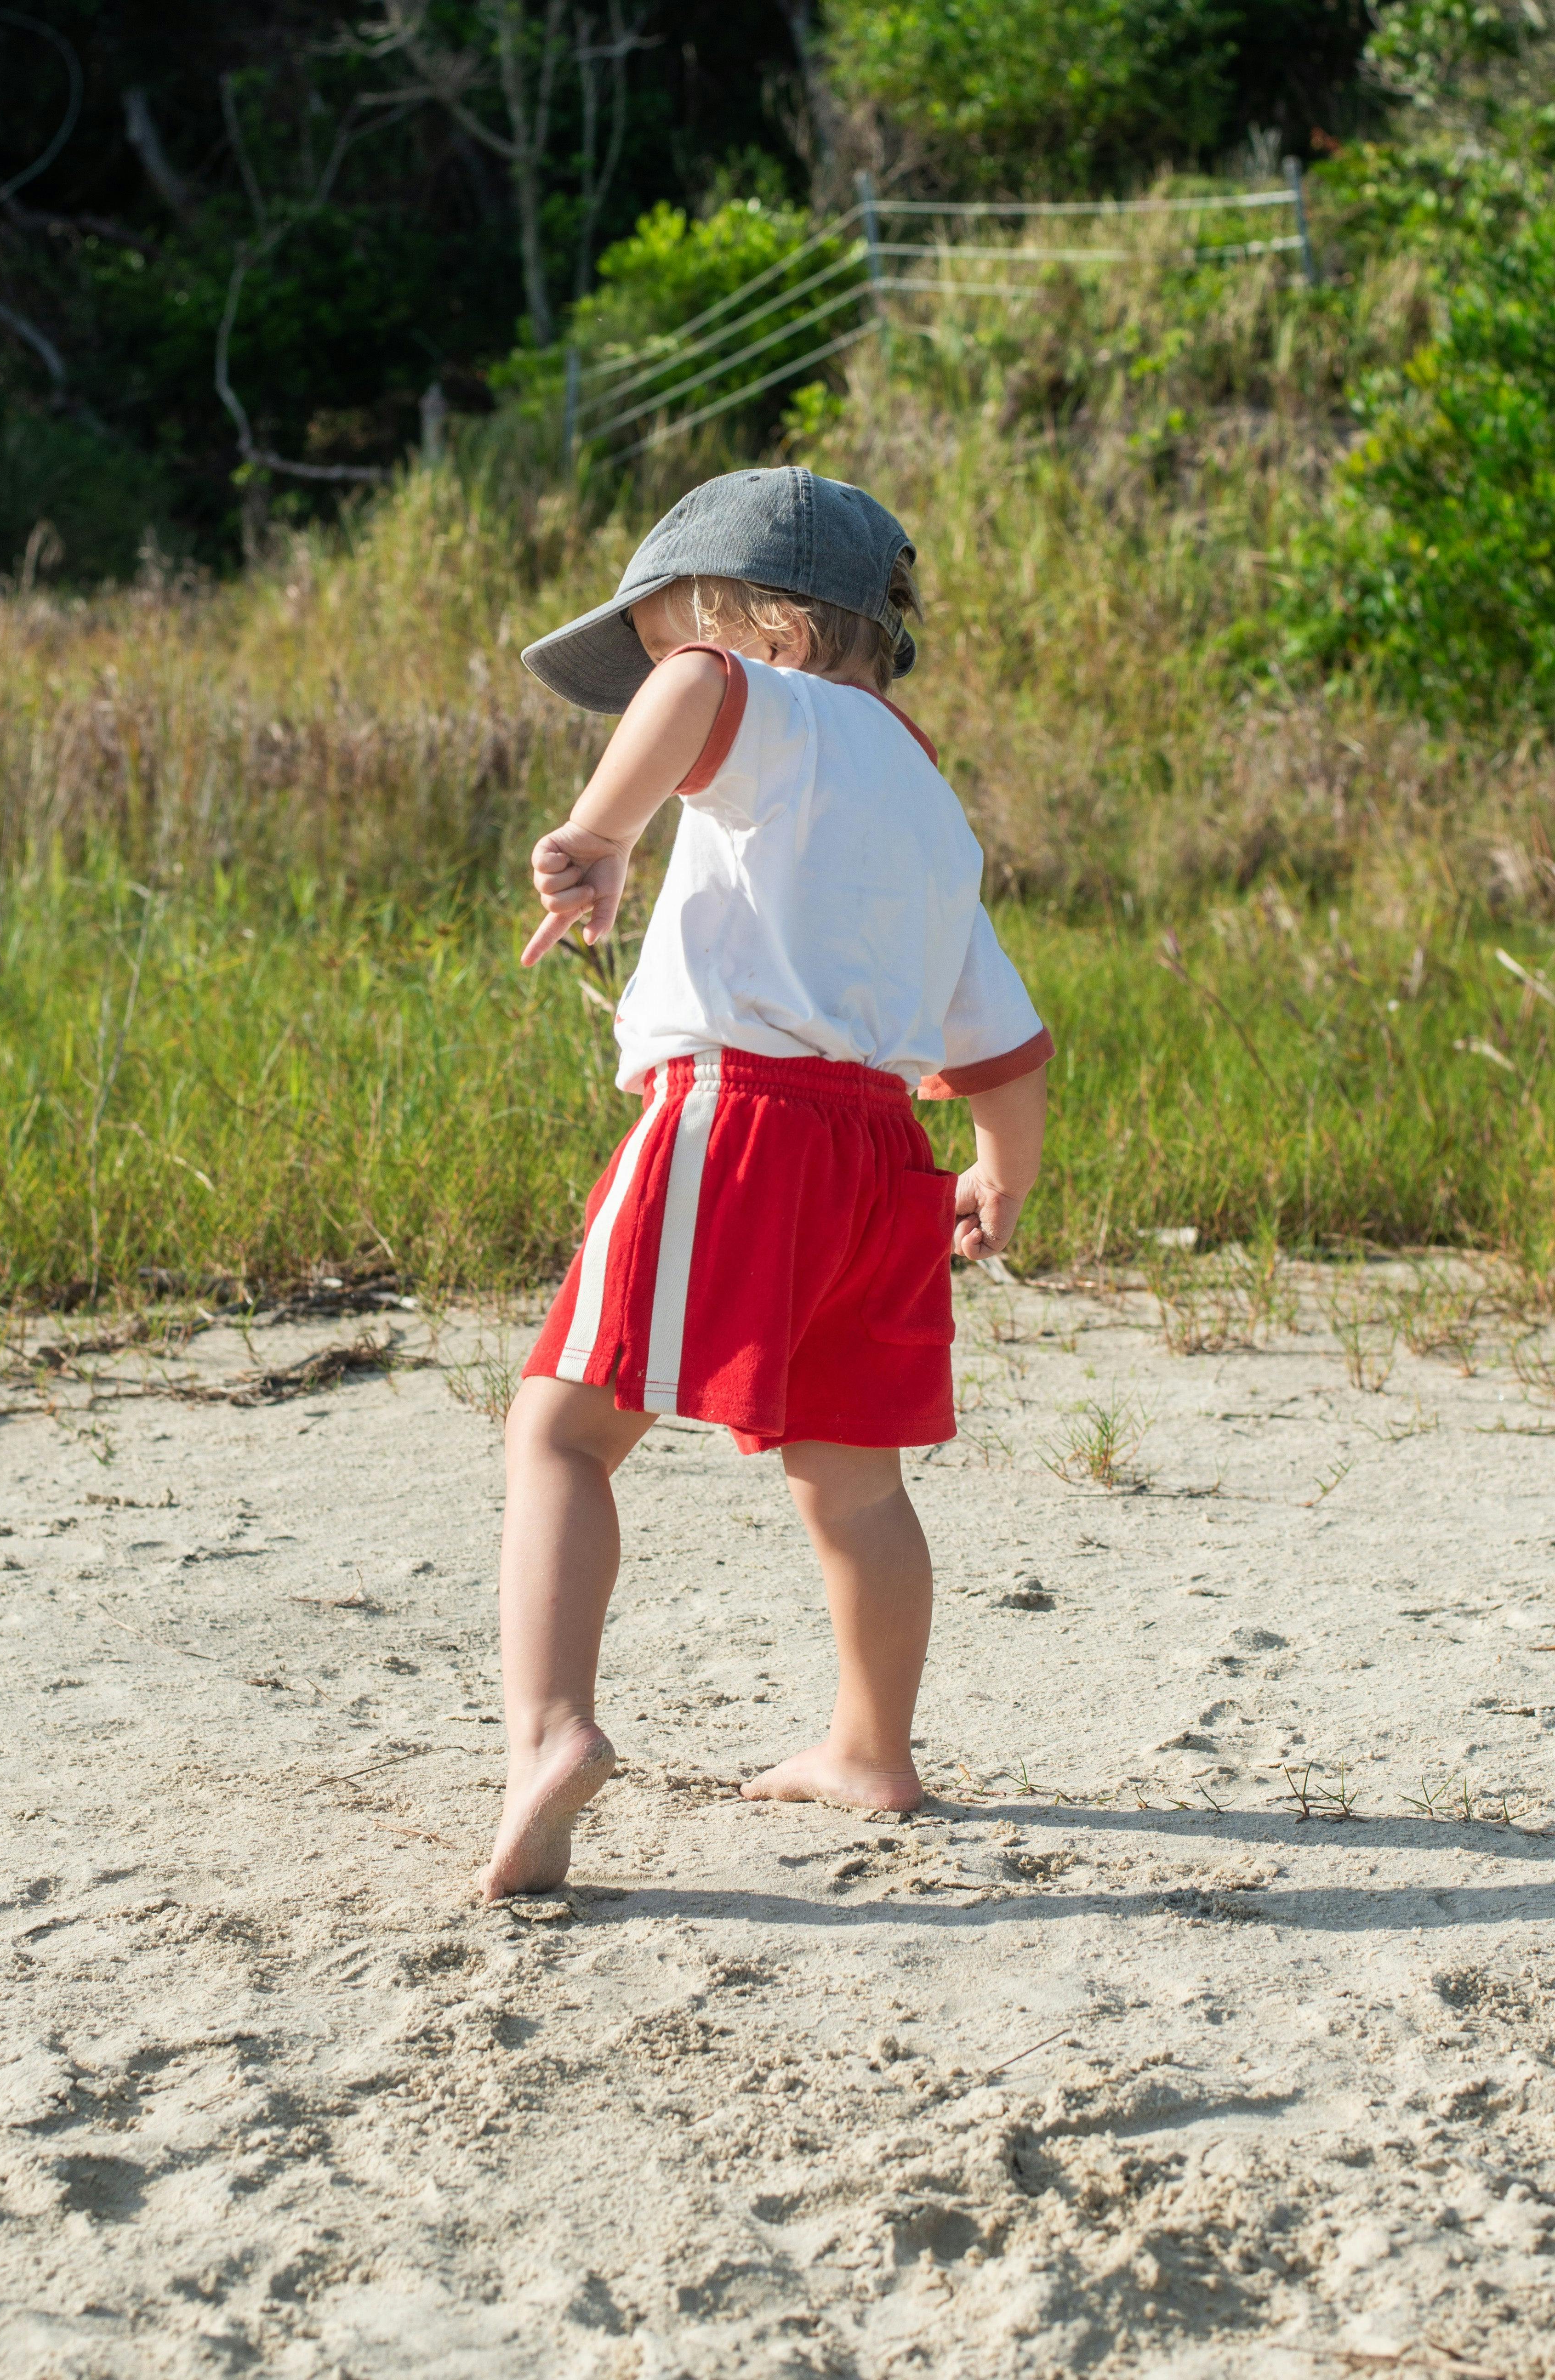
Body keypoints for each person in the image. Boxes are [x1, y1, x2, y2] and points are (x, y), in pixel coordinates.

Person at [482, 466, 1052, 1900]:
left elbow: (691, 689)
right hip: (884, 1159)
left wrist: (604, 834)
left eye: (675, 639)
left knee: (561, 1434)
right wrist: (1001, 1172)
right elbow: (1001, 1040)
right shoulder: (935, 815)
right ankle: (872, 1747)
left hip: (738, 1117)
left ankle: (550, 1729)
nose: (657, 690)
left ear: (779, 637)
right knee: (857, 1485)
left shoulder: (768, 708)